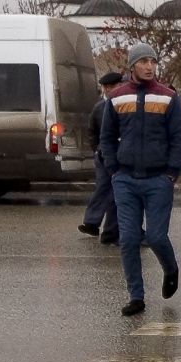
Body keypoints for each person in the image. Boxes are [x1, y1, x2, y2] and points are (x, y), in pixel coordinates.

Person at [99, 43, 181, 317]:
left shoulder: (168, 97)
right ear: (132, 66)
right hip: (125, 179)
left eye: (153, 61)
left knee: (157, 237)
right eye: (144, 61)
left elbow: (178, 139)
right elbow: (106, 137)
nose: (149, 66)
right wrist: (113, 170)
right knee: (128, 239)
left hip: (158, 179)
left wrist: (171, 172)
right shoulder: (116, 97)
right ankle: (136, 296)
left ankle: (170, 268)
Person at [78, 70, 124, 243]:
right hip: (103, 155)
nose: (109, 89)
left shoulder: (123, 103)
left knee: (116, 193)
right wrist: (96, 149)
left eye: (113, 86)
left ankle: (111, 231)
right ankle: (91, 222)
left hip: (120, 153)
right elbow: (92, 131)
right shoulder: (99, 108)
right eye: (107, 87)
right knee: (103, 188)